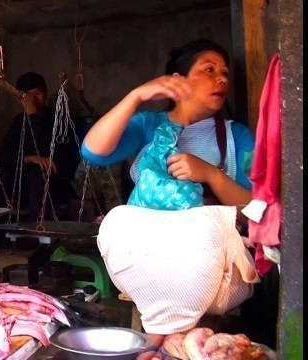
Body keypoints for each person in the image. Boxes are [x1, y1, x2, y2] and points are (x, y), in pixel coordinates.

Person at [81, 39, 256, 354]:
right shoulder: (149, 126)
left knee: (191, 348)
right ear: (178, 78)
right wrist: (137, 96)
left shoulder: (236, 136)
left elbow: (254, 209)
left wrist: (210, 174)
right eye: (209, 70)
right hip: (146, 267)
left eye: (225, 73)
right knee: (118, 220)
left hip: (212, 275)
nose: (222, 79)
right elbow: (93, 151)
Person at [0, 72, 80, 223]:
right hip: (22, 185)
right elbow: (4, 156)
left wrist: (33, 116)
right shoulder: (18, 122)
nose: (33, 100)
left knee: (38, 171)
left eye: (38, 94)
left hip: (55, 182)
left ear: (46, 94)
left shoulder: (59, 120)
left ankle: (39, 232)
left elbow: (55, 158)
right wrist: (28, 158)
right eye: (27, 96)